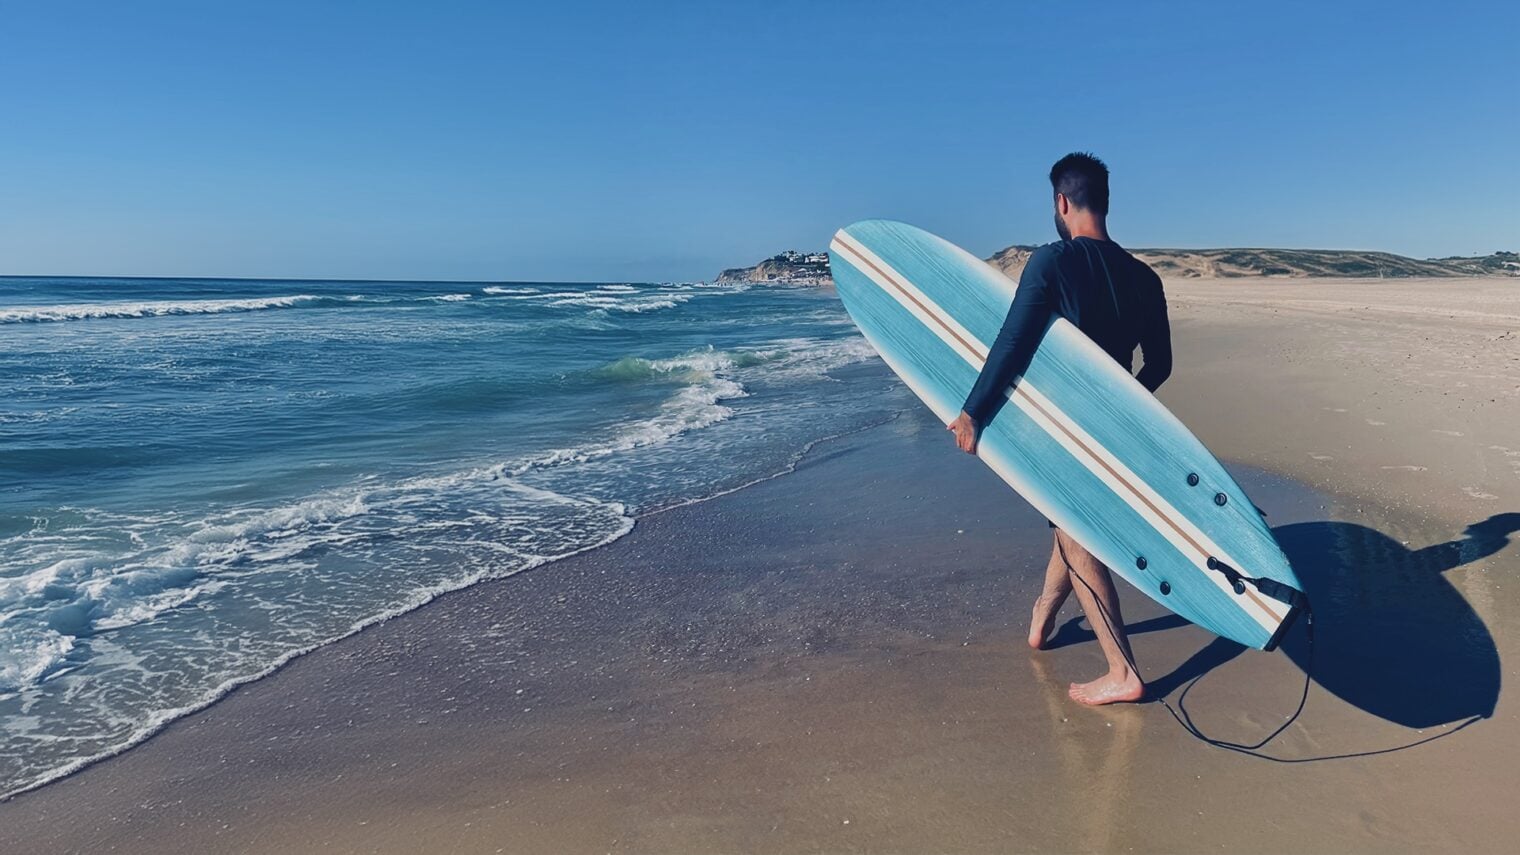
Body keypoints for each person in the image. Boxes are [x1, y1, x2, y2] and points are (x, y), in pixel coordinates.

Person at [946, 152, 1172, 706]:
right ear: (1105, 202)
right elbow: (1161, 365)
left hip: (1064, 432)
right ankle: (1042, 620)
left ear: (1061, 203)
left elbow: (1013, 342)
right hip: (1117, 430)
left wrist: (973, 411)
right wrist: (1123, 409)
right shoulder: (1146, 278)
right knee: (1068, 527)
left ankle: (1122, 671)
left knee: (1075, 532)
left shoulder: (1051, 262)